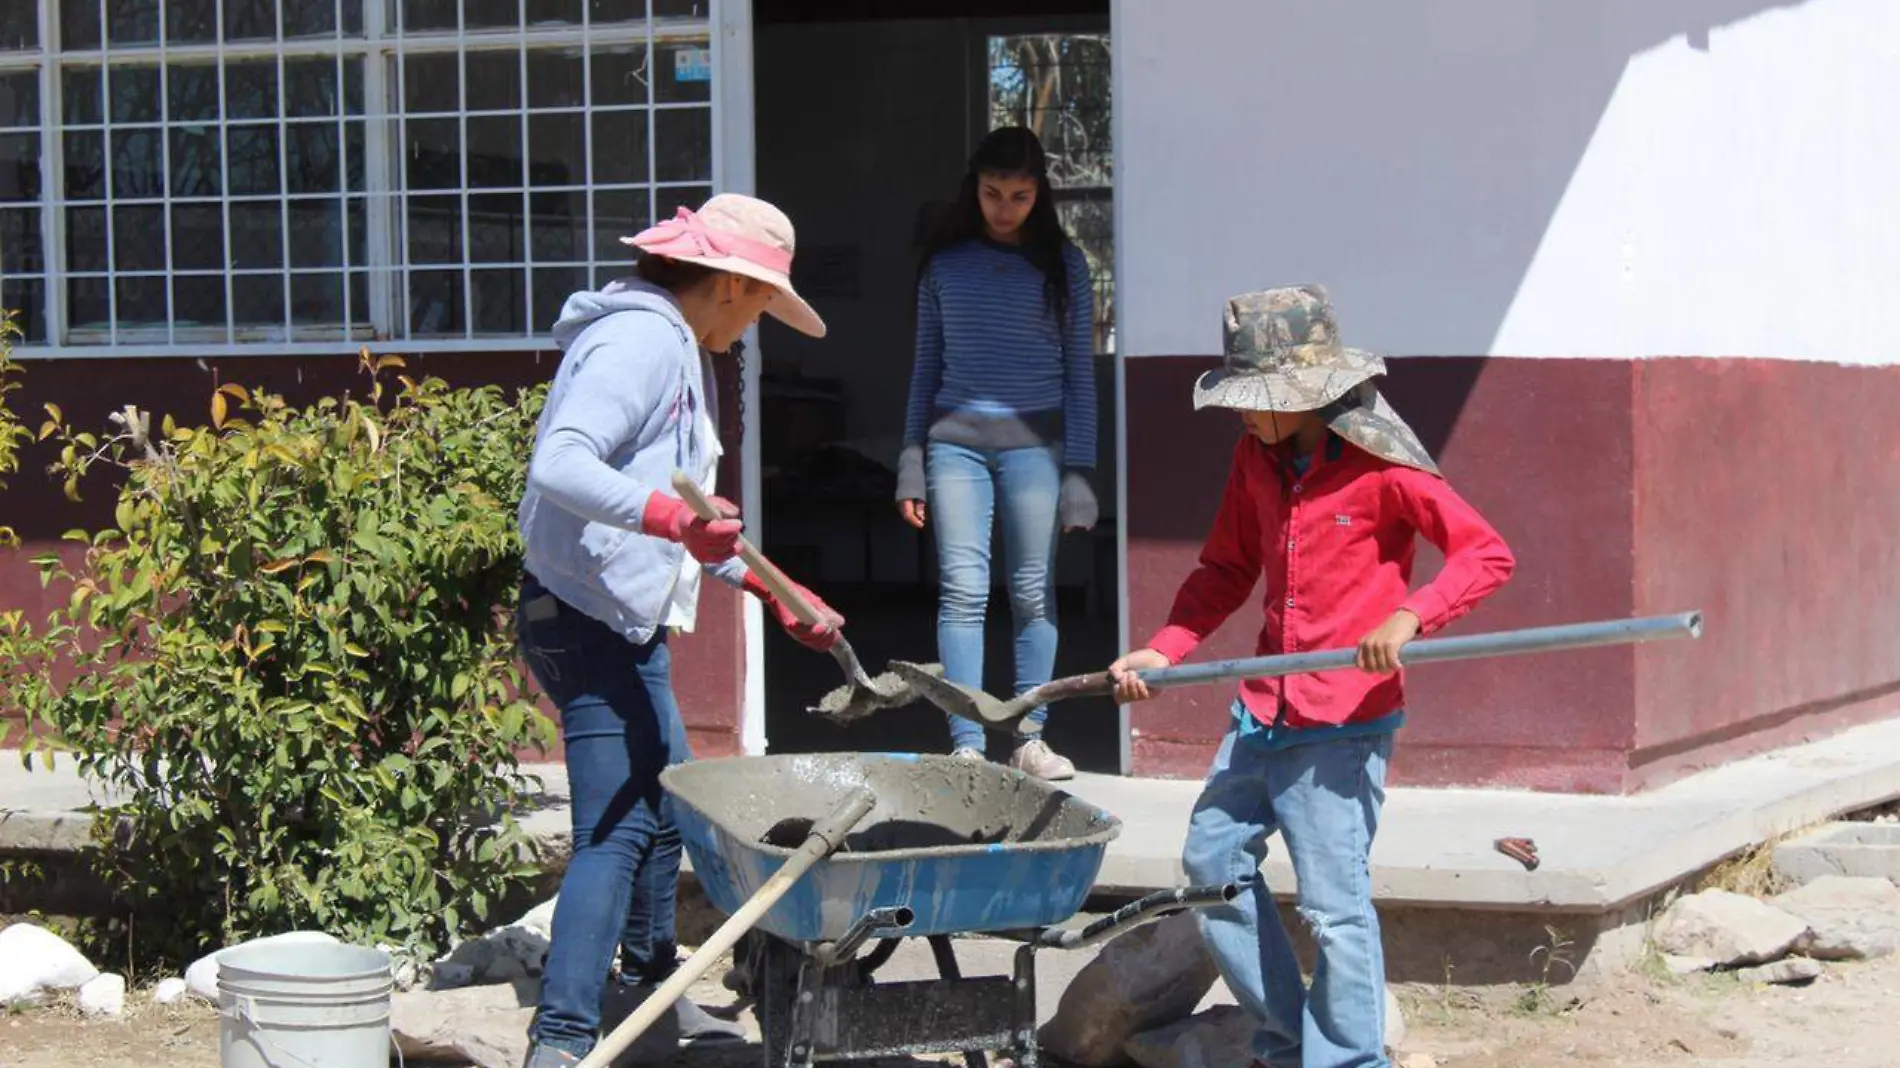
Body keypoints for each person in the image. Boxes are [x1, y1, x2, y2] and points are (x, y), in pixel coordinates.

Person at [1108, 285, 1515, 1068]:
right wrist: (1165, 649)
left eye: (1260, 400)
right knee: (1213, 862)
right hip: (1265, 710)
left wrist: (1409, 618)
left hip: (1344, 719)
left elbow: (1485, 553)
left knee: (1333, 907)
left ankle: (1352, 1060)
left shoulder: (1382, 466)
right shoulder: (1254, 457)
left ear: (1310, 395)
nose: (1246, 414)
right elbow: (1226, 567)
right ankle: (1287, 1039)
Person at [515, 194, 845, 1068]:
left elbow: (690, 519)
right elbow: (563, 463)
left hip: (618, 621)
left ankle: (650, 991)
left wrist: (769, 590)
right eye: (765, 304)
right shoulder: (644, 340)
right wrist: (672, 520)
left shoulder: (672, 342)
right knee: (619, 827)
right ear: (733, 287)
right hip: (579, 620)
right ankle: (562, 1042)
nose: (761, 322)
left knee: (665, 813)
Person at [895, 126, 1099, 780]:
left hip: (1035, 451)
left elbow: (1080, 375)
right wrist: (910, 463)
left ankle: (1030, 737)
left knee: (1034, 594)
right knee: (962, 591)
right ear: (973, 189)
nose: (1005, 206)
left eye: (1020, 194)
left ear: (1040, 194)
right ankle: (966, 744)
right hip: (954, 447)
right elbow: (924, 369)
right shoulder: (943, 265)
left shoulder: (1065, 265)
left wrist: (1081, 473)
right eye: (992, 193)